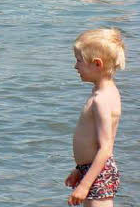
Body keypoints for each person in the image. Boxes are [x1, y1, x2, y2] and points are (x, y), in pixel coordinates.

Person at [65, 28, 124, 205]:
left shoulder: (101, 100)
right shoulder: (105, 91)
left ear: (97, 64)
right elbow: (93, 142)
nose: (75, 66)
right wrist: (80, 169)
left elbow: (105, 147)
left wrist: (84, 185)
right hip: (92, 169)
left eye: (79, 61)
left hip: (99, 173)